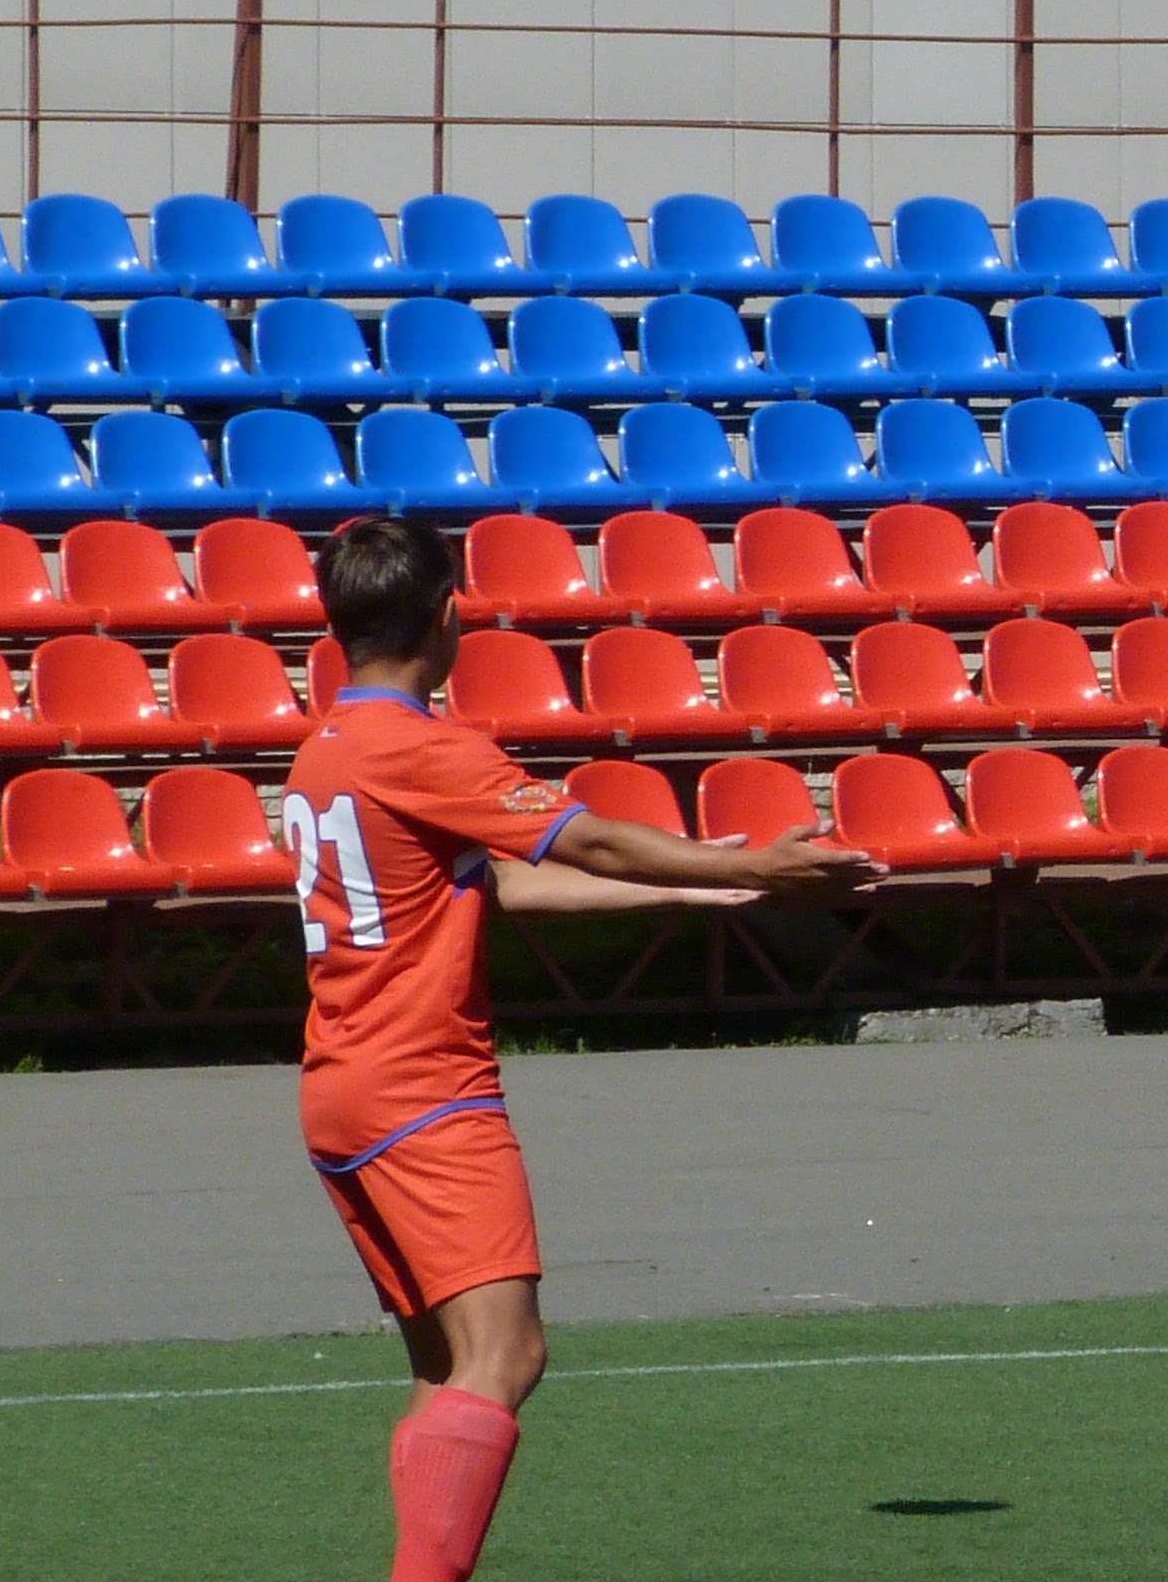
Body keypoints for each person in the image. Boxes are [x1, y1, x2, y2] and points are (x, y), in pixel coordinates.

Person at [285, 518, 873, 1582]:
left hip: (343, 1089)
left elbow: (505, 882)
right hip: (426, 1091)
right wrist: (752, 868)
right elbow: (587, 836)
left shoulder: (328, 746)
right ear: (449, 616)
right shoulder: (422, 747)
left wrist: (698, 889)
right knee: (507, 1353)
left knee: (449, 1367)